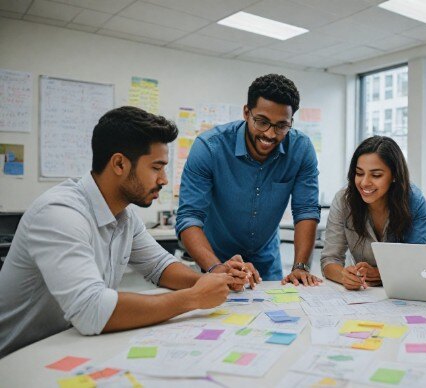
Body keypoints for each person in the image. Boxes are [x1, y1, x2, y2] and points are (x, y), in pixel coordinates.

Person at [0, 106, 238, 358]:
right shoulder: (59, 213)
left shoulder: (124, 215)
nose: (164, 179)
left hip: (64, 346)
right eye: (156, 168)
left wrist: (212, 279)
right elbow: (91, 310)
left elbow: (160, 266)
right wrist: (193, 298)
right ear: (119, 164)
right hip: (15, 359)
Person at [176, 74, 321, 286]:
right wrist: (217, 269)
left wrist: (300, 266)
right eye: (262, 122)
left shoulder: (301, 149)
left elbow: (306, 210)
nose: (270, 134)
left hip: (267, 257)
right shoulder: (209, 148)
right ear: (246, 112)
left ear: (291, 121)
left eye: (281, 126)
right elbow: (189, 217)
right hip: (216, 257)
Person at [320, 136, 426, 290]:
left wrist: (381, 274)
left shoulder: (414, 202)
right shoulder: (344, 200)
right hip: (363, 294)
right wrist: (344, 275)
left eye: (376, 175)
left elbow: (418, 264)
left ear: (394, 176)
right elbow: (330, 259)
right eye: (359, 173)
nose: (364, 182)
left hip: (402, 292)